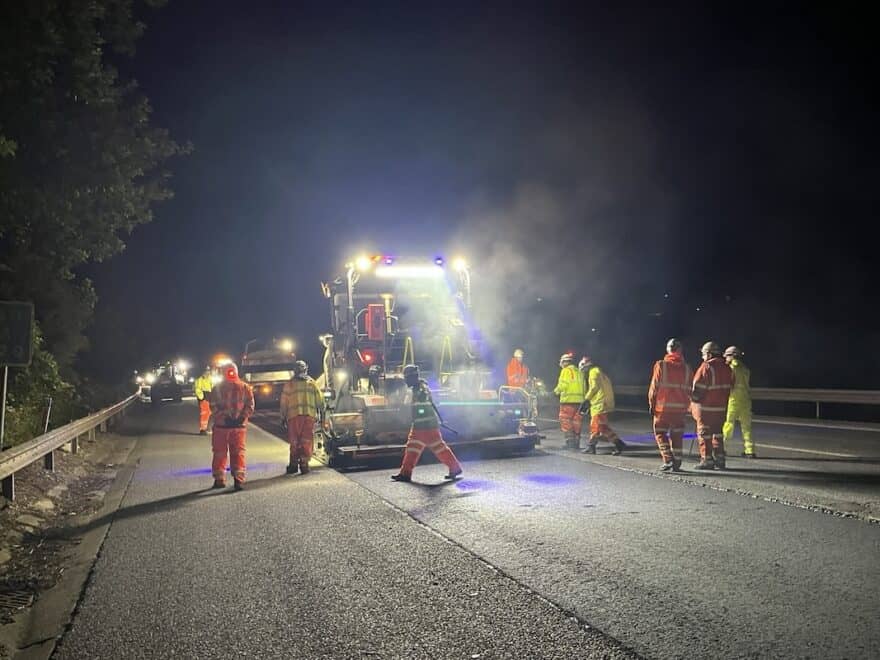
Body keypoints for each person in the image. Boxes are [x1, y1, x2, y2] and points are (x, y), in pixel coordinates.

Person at [391, 364, 463, 483]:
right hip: (422, 427)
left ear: (412, 377)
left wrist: (418, 407)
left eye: (406, 378)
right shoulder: (418, 387)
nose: (405, 380)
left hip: (425, 428)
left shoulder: (420, 389)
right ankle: (405, 473)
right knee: (414, 449)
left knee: (434, 448)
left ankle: (454, 468)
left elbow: (422, 403)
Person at [648, 338, 693, 472]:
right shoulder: (687, 368)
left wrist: (651, 403)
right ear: (680, 350)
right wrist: (690, 407)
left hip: (663, 409)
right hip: (680, 409)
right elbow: (691, 389)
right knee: (677, 435)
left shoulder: (661, 365)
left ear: (668, 350)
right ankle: (677, 461)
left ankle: (668, 460)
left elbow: (654, 387)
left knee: (660, 433)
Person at [209, 362, 255, 491]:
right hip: (239, 428)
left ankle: (219, 480)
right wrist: (241, 418)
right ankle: (238, 480)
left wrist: (224, 418)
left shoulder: (217, 388)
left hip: (221, 427)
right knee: (238, 453)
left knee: (219, 453)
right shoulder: (245, 387)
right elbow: (250, 406)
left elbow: (213, 406)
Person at [691, 341, 734, 470]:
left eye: (703, 354)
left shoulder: (706, 367)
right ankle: (720, 460)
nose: (703, 357)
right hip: (721, 409)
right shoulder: (728, 368)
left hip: (706, 409)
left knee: (704, 434)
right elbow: (732, 386)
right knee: (718, 434)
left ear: (709, 354)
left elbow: (698, 388)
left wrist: (694, 401)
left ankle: (707, 460)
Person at [279, 360, 326, 475]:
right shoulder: (312, 383)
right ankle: (304, 465)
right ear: (306, 369)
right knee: (306, 441)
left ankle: (293, 465)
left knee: (294, 441)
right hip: (309, 416)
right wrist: (322, 412)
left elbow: (284, 403)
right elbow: (320, 400)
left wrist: (282, 417)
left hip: (293, 417)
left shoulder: (289, 384)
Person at [578, 357, 626, 455]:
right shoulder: (601, 372)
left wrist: (587, 399)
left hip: (599, 403)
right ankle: (619, 443)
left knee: (595, 425)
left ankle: (591, 446)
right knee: (603, 427)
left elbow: (594, 387)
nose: (584, 373)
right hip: (605, 402)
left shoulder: (593, 372)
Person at [723, 346, 756, 458]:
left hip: (734, 400)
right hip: (746, 400)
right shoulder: (745, 369)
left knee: (729, 424)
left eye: (727, 356)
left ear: (732, 356)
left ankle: (721, 448)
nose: (725, 358)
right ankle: (749, 450)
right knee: (746, 426)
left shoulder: (730, 368)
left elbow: (729, 384)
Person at [553, 352, 585, 449]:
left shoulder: (566, 371)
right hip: (580, 401)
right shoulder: (579, 372)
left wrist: (555, 391)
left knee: (565, 420)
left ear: (563, 362)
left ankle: (570, 443)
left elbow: (563, 384)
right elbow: (584, 386)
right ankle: (577, 443)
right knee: (577, 422)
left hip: (568, 401)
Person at [193, 366, 214, 435]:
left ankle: (206, 428)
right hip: (204, 398)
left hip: (209, 397)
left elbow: (213, 387)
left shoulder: (210, 379)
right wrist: (202, 397)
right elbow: (197, 389)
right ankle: (202, 429)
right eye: (206, 371)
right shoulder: (199, 380)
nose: (208, 373)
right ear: (203, 373)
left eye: (208, 371)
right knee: (205, 413)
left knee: (209, 413)